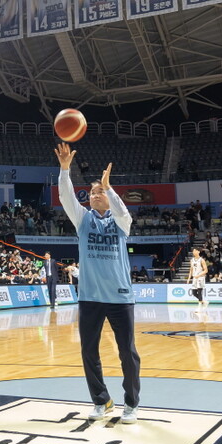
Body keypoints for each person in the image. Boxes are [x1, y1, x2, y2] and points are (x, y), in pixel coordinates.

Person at [55, 142, 140, 424]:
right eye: (91, 193)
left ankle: (131, 403)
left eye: (98, 192)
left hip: (120, 297)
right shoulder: (82, 219)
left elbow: (123, 212)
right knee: (88, 352)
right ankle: (101, 400)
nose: (94, 196)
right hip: (90, 297)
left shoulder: (121, 222)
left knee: (127, 352)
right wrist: (64, 170)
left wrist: (109, 187)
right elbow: (66, 197)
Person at [188, 248, 209, 313]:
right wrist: (189, 278)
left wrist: (199, 275)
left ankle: (199, 307)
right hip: (195, 277)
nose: (193, 252)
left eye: (195, 251)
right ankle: (204, 302)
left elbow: (206, 270)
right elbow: (191, 269)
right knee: (194, 293)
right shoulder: (192, 260)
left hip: (200, 278)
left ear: (198, 252)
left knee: (199, 292)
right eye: (193, 251)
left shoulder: (201, 260)